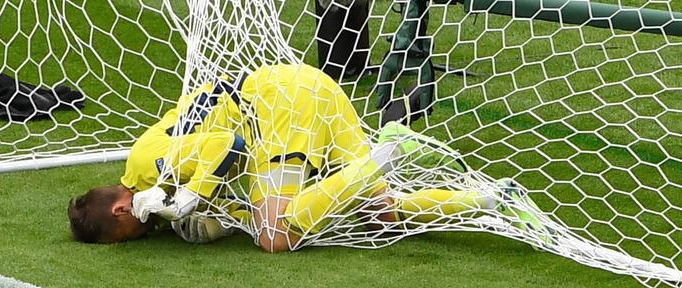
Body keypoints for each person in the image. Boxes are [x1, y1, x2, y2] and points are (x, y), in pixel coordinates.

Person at [68, 63, 552, 250]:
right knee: (380, 216)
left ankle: (385, 154)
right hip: (311, 89)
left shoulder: (149, 166)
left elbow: (224, 146)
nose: (138, 237)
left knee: (276, 237)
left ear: (119, 209)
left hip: (279, 106)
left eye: (125, 236)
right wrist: (217, 218)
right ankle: (491, 198)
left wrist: (191, 196)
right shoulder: (153, 177)